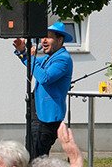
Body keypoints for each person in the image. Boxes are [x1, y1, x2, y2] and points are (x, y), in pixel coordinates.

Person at [12, 22, 74, 159]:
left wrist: (29, 56)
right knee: (31, 156)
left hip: (47, 118)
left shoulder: (62, 59)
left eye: (49, 37)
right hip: (37, 114)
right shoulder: (48, 57)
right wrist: (23, 52)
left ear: (59, 40)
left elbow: (45, 78)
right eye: (43, 37)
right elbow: (30, 63)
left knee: (37, 159)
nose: (43, 40)